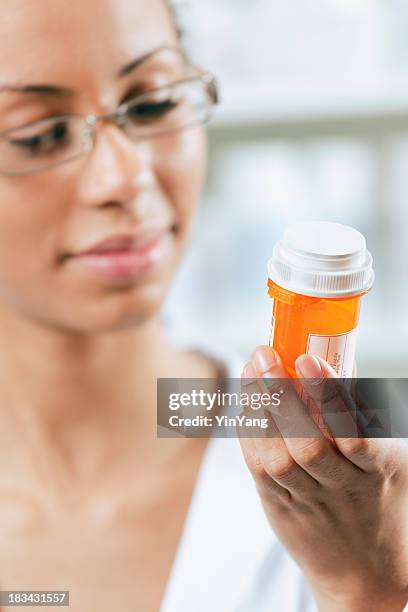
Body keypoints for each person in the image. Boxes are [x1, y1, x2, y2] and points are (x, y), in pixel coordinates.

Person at [0, 1, 406, 611]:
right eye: (40, 134)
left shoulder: (359, 497)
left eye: (153, 104)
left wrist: (364, 589)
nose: (124, 178)